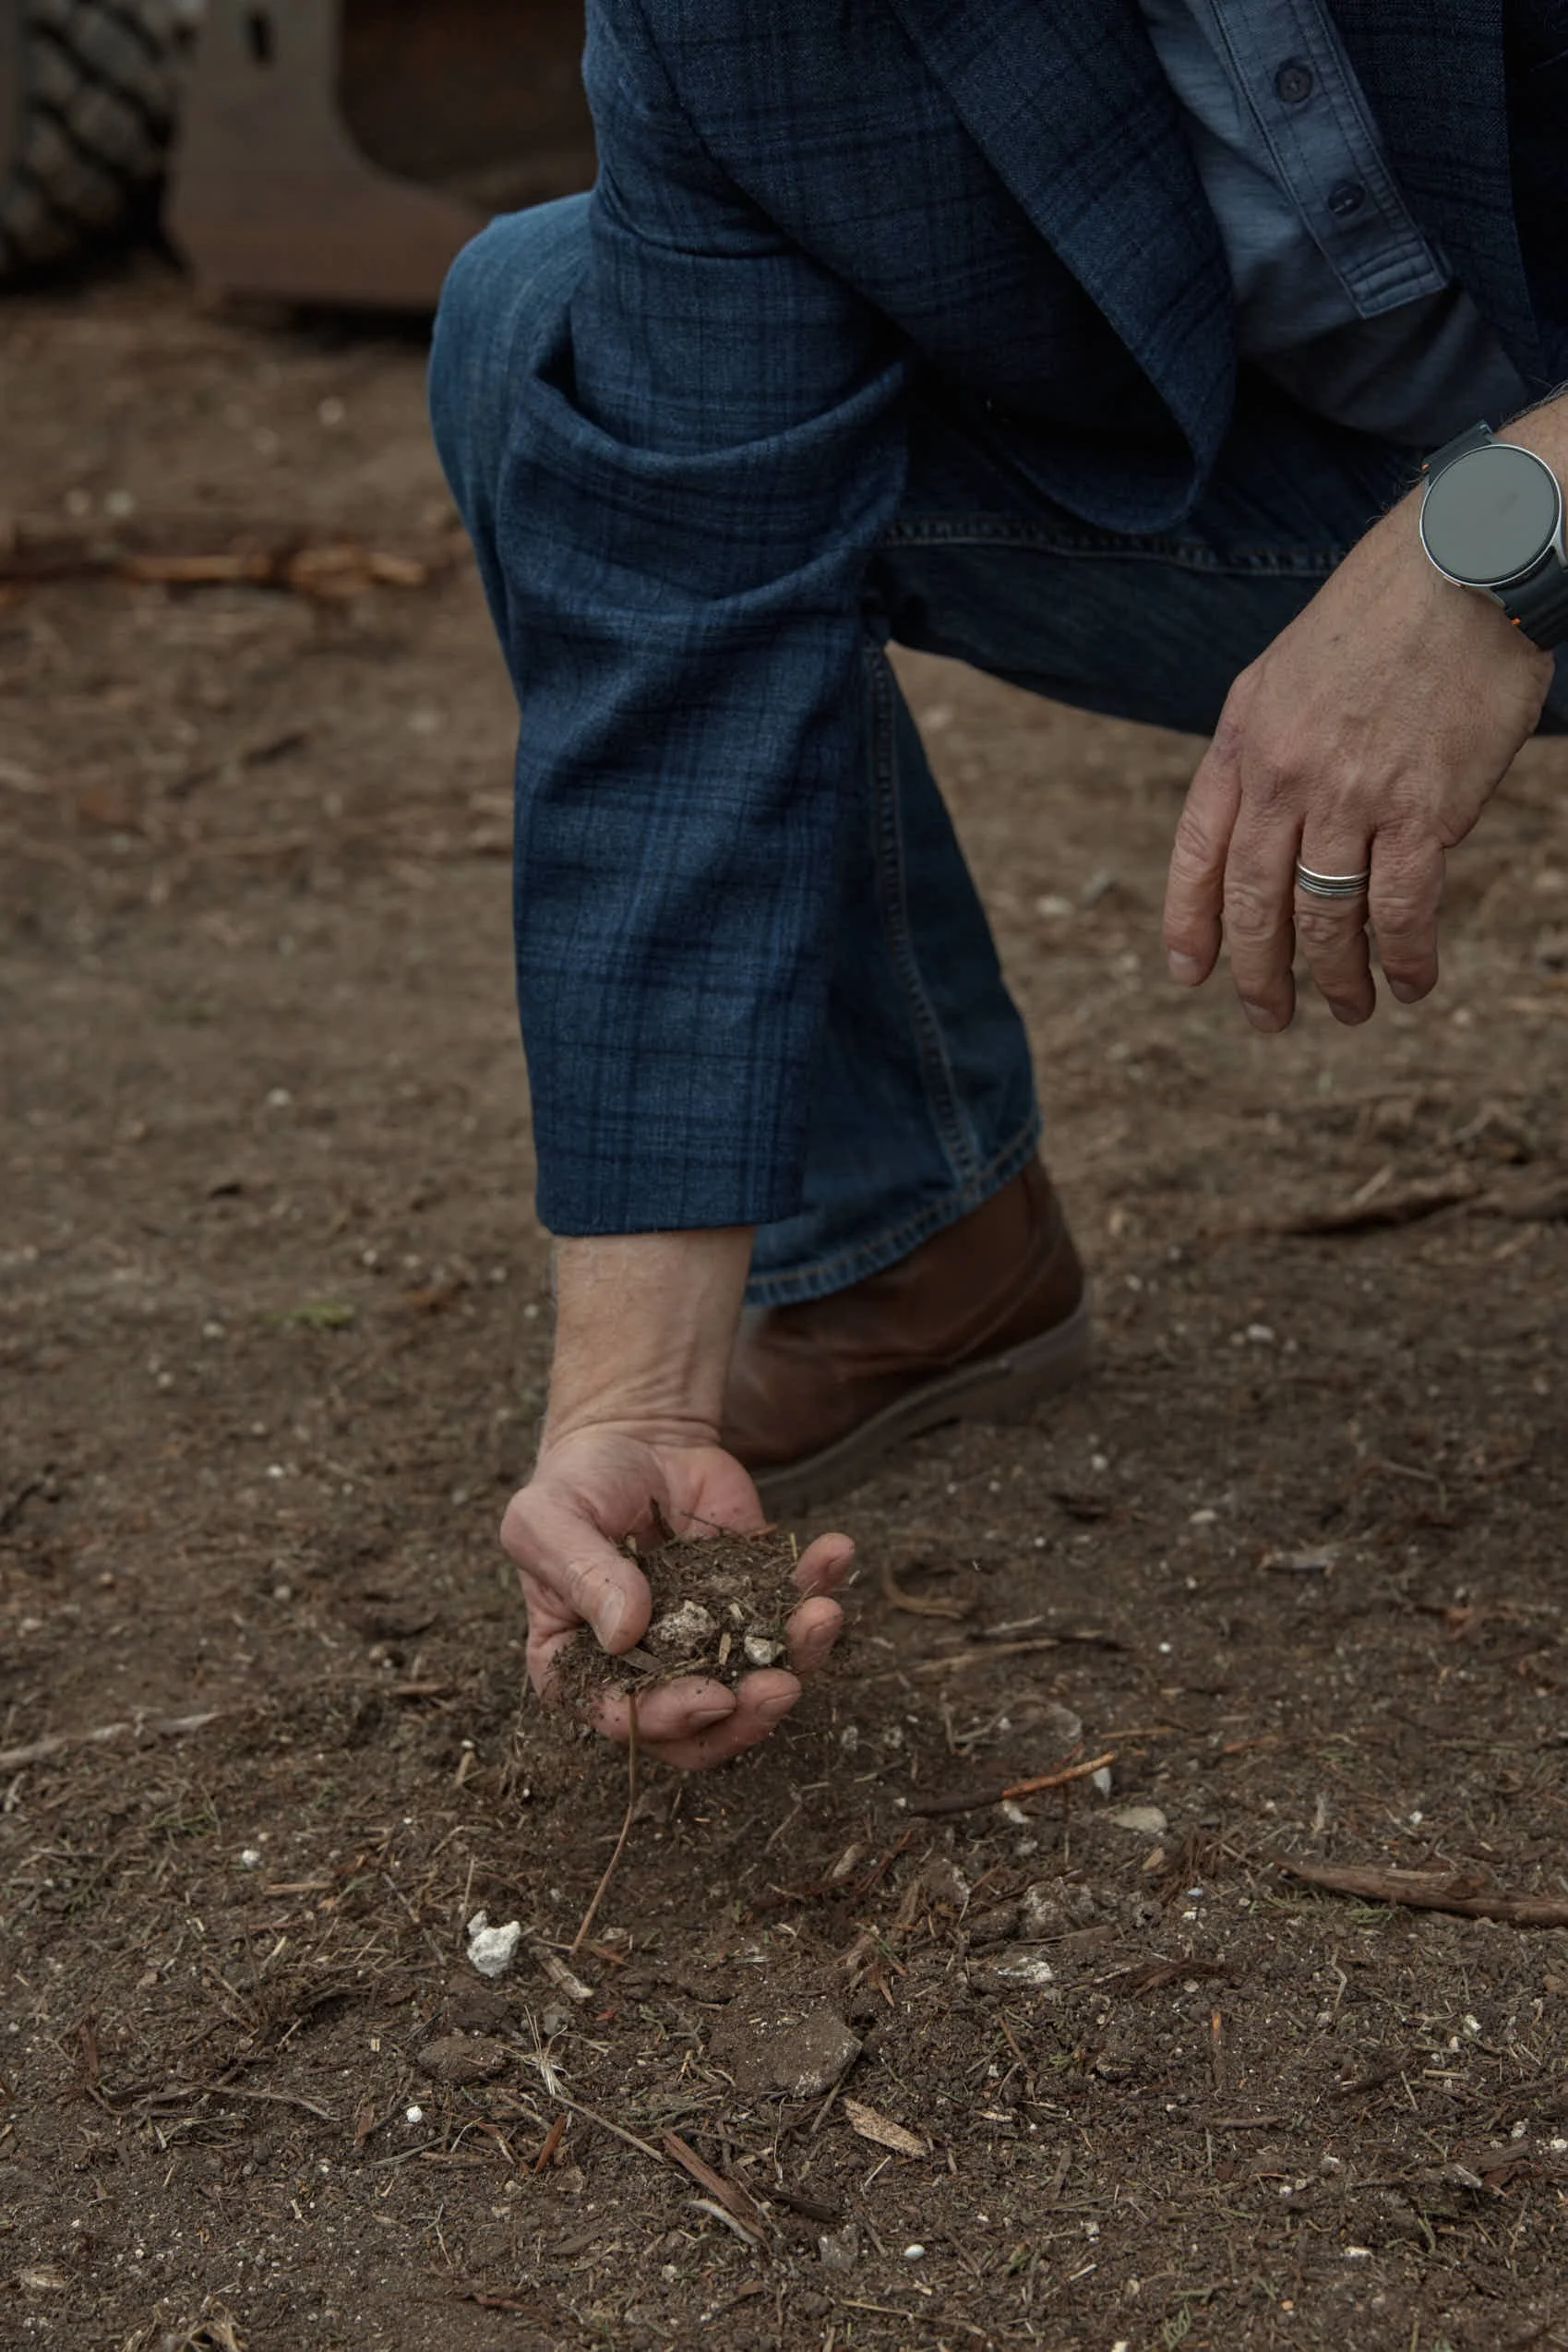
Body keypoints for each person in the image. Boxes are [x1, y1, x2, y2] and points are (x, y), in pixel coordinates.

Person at [428, 1, 1568, 1771]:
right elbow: (684, 609)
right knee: (549, 327)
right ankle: (910, 1247)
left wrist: (1493, 545)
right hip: (1287, 492)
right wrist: (631, 1401)